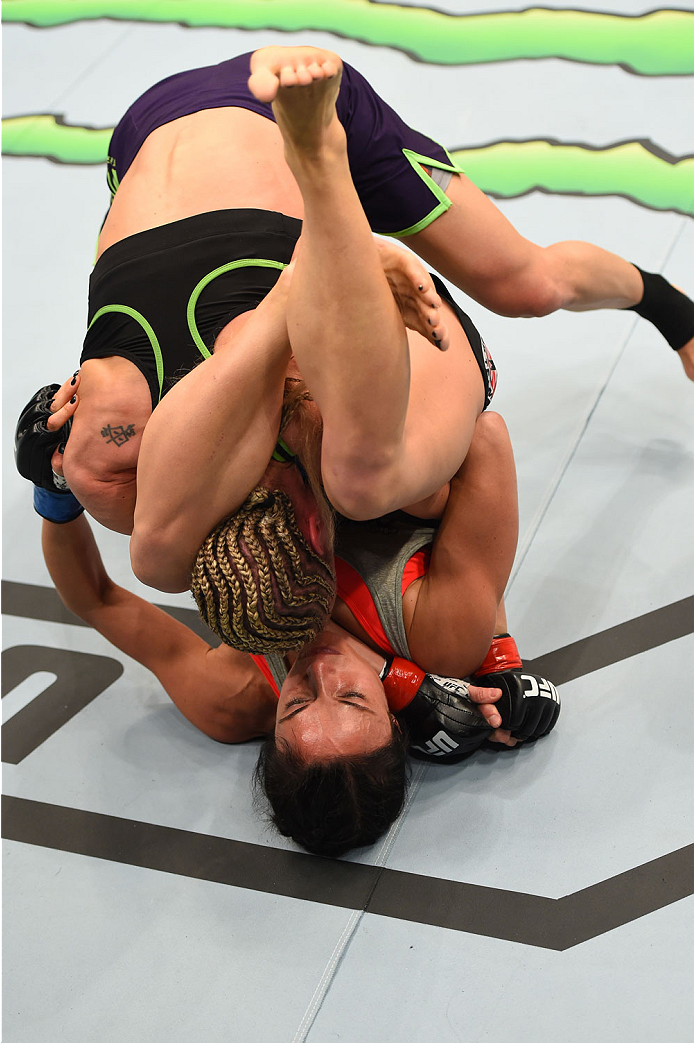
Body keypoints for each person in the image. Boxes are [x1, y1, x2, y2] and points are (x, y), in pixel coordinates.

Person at [15, 47, 694, 537]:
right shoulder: (115, 459)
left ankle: (669, 306)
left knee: (524, 284)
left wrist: (56, 478)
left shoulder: (124, 460)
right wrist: (50, 475)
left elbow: (436, 494)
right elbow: (87, 494)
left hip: (286, 108)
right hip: (150, 129)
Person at [33, 384, 559, 856]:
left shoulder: (230, 698)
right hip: (327, 387)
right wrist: (496, 654)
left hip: (211, 409)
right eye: (352, 697)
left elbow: (98, 599)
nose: (323, 672)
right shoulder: (439, 635)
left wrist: (52, 491)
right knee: (380, 488)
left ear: (273, 730)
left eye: (299, 701)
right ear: (397, 724)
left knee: (153, 546)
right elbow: (486, 436)